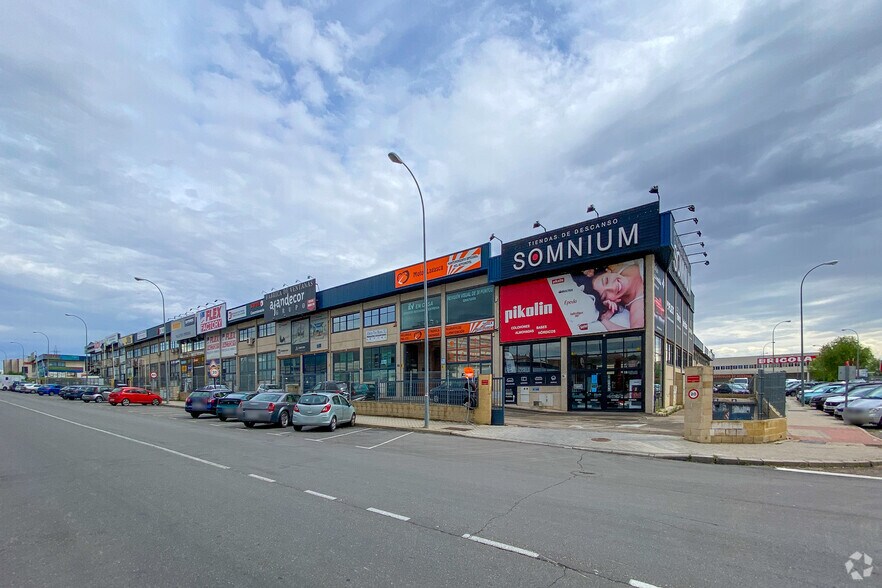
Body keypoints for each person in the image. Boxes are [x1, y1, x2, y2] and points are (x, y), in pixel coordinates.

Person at [571, 261, 644, 331]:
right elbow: (636, 332)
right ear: (611, 301)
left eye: (606, 280)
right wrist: (604, 320)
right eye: (605, 295)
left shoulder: (617, 266)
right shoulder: (638, 304)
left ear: (608, 271)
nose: (612, 288)